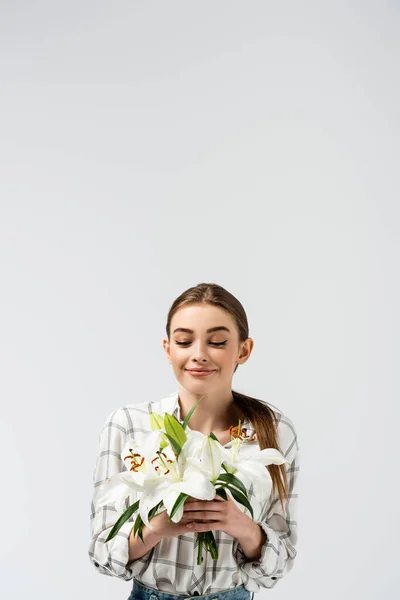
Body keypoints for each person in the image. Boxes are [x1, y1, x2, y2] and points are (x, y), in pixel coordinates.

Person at [88, 283, 300, 600]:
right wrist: (155, 528)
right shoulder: (130, 425)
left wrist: (242, 526)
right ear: (168, 348)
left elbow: (281, 559)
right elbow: (102, 553)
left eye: (216, 341)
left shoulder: (274, 430)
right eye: (184, 341)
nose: (198, 355)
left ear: (244, 349)